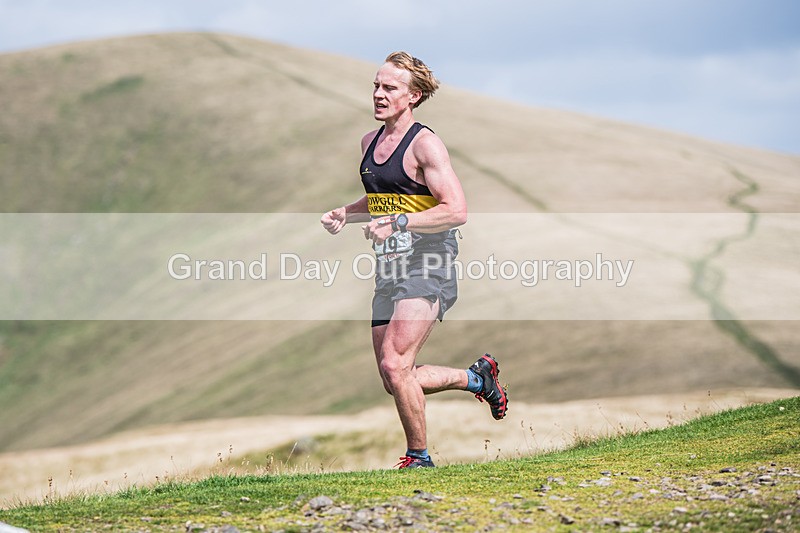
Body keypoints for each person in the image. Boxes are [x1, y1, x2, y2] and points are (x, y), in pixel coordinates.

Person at [321, 51, 508, 469]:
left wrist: (399, 223)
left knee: (394, 362)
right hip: (390, 266)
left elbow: (456, 209)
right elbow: (383, 201)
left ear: (414, 96)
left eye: (390, 88)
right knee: (395, 377)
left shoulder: (426, 144)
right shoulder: (369, 142)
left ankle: (418, 457)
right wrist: (347, 214)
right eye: (376, 85)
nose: (378, 94)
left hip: (430, 260)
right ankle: (477, 378)